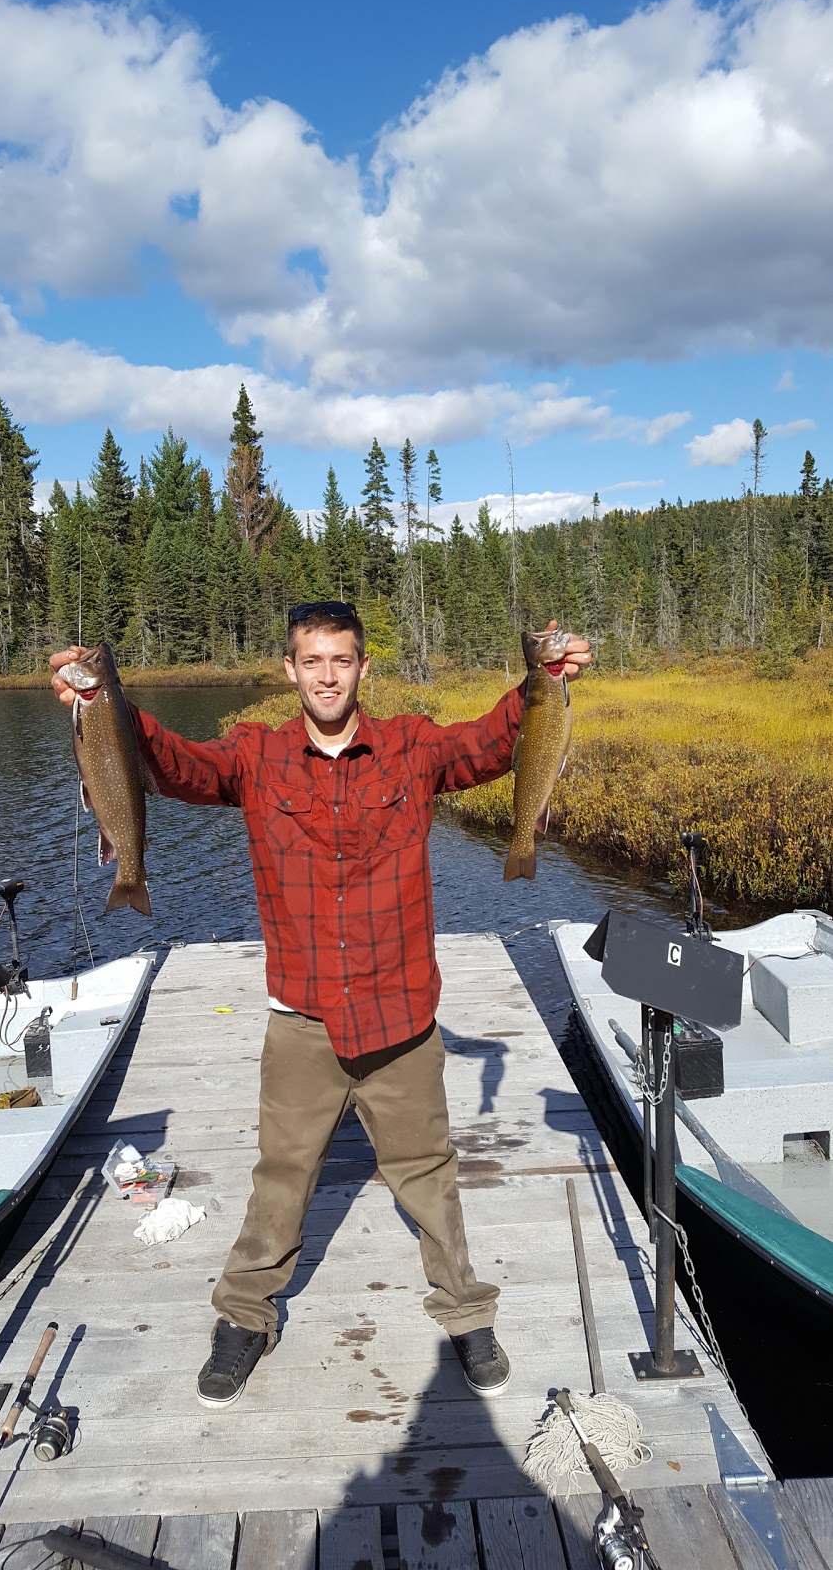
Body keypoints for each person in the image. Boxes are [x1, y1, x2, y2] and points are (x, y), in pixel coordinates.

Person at [50, 602, 591, 1408]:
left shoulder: (411, 747)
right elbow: (176, 766)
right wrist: (107, 707)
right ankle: (244, 1316)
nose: (328, 675)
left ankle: (465, 1312)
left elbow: (492, 743)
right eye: (312, 661)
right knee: (282, 1176)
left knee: (428, 1174)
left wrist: (541, 679)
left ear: (363, 668)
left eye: (342, 660)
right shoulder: (256, 756)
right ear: (291, 669)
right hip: (301, 1014)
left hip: (401, 1013)